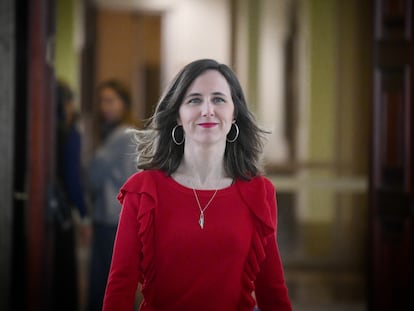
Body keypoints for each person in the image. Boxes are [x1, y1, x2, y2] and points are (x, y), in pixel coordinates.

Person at [102, 59, 292, 311]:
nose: (207, 110)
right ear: (178, 116)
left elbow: (272, 289)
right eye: (194, 100)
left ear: (234, 113)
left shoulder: (259, 192)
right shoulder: (143, 190)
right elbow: (120, 287)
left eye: (218, 99)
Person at [86, 79, 138, 311]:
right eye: (102, 101)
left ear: (123, 104)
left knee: (104, 284)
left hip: (111, 218)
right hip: (120, 216)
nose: (104, 107)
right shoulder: (130, 132)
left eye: (110, 101)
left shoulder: (122, 134)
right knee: (116, 282)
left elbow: (93, 174)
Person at [53, 80, 87, 311]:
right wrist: (83, 214)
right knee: (64, 274)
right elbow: (73, 179)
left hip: (49, 207)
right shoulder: (68, 133)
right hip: (60, 210)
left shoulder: (41, 128)